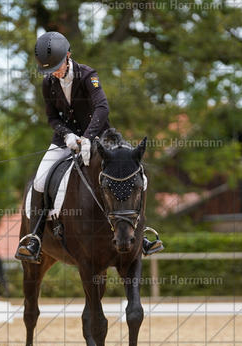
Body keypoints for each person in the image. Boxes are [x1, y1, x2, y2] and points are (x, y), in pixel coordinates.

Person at [15, 31, 162, 262]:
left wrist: (87, 137)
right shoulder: (48, 83)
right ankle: (34, 238)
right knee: (40, 181)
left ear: (68, 56)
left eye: (57, 67)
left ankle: (142, 233)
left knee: (136, 175)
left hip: (101, 138)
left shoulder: (87, 75)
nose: (54, 73)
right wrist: (67, 135)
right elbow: (52, 117)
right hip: (65, 140)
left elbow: (102, 108)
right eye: (49, 70)